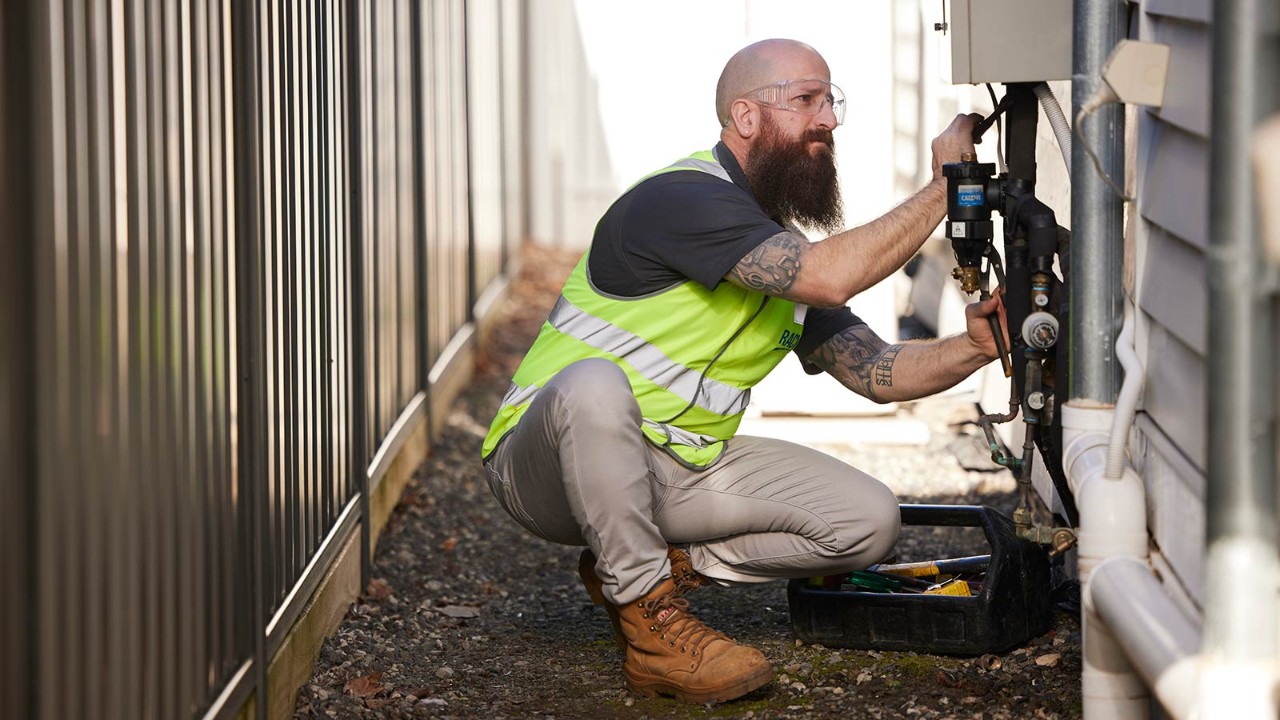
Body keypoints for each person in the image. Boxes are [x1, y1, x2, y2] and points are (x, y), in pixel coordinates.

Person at [480, 38, 1002, 704]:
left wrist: (977, 345)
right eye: (808, 99)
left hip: (674, 471)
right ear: (746, 116)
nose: (830, 120)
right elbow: (827, 276)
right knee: (593, 384)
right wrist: (947, 187)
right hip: (544, 463)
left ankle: (651, 566)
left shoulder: (774, 245)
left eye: (831, 101)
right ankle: (652, 625)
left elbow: (880, 372)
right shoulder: (680, 200)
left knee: (870, 520)